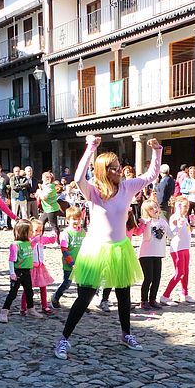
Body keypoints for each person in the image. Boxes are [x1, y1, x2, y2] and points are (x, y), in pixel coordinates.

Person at [53, 135, 162, 360]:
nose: (119, 170)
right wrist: (91, 147)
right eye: (114, 168)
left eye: (119, 166)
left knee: (123, 294)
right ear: (104, 171)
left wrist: (157, 151)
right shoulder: (93, 191)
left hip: (120, 248)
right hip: (96, 248)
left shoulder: (127, 187)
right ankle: (63, 339)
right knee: (85, 297)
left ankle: (126, 334)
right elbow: (78, 177)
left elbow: (151, 175)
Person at [136, 199, 172, 310]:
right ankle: (144, 300)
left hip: (158, 253)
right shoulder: (147, 222)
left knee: (157, 278)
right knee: (148, 278)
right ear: (147, 211)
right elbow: (146, 238)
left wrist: (178, 226)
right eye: (151, 209)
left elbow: (170, 235)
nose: (155, 209)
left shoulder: (163, 221)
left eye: (156, 206)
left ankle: (152, 299)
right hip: (146, 254)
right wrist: (147, 224)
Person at [161, 196, 194, 305]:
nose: (186, 208)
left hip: (185, 247)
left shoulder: (184, 217)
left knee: (186, 272)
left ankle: (184, 293)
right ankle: (165, 295)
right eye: (184, 206)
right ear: (178, 206)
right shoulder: (175, 217)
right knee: (179, 273)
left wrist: (192, 224)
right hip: (177, 248)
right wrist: (178, 223)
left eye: (187, 206)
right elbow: (172, 232)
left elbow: (187, 231)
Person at [2, 220, 36, 325]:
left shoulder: (28, 242)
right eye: (30, 230)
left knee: (29, 292)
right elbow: (11, 260)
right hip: (18, 272)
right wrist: (12, 273)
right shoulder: (15, 245)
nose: (32, 232)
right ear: (24, 232)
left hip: (27, 271)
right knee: (13, 293)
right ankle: (4, 311)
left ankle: (31, 309)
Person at [51, 207, 86, 308]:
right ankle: (55, 297)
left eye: (79, 219)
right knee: (67, 283)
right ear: (68, 220)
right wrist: (71, 263)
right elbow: (64, 250)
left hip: (81, 262)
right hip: (69, 263)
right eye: (74, 219)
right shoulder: (66, 233)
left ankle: (81, 303)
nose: (77, 221)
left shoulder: (83, 232)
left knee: (81, 284)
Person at [22, 218, 57, 315]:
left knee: (43, 286)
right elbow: (29, 248)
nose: (39, 232)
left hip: (40, 266)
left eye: (40, 230)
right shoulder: (28, 241)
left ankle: (45, 306)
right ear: (30, 231)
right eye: (36, 230)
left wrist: (54, 235)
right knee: (28, 288)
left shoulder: (41, 239)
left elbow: (50, 240)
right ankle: (23, 307)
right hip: (31, 267)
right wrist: (34, 241)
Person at [36, 171, 62, 241]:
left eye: (43, 178)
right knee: (41, 222)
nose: (42, 179)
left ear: (48, 179)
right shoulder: (47, 186)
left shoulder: (50, 187)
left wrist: (39, 192)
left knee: (54, 225)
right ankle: (39, 239)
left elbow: (44, 197)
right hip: (47, 208)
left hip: (51, 209)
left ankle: (58, 241)